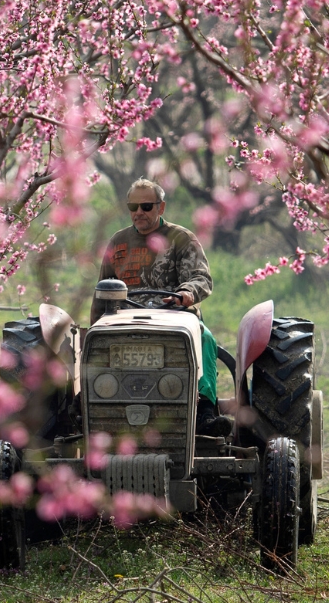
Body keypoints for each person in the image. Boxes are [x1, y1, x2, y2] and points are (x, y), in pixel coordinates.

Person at [90, 178, 231, 437]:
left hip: (173, 316)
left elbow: (201, 278)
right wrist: (95, 325)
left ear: (161, 208)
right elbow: (103, 289)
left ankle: (205, 413)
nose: (139, 212)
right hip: (125, 319)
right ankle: (90, 406)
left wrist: (185, 295)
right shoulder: (118, 241)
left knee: (205, 338)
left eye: (146, 206)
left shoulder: (181, 238)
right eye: (133, 206)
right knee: (94, 343)